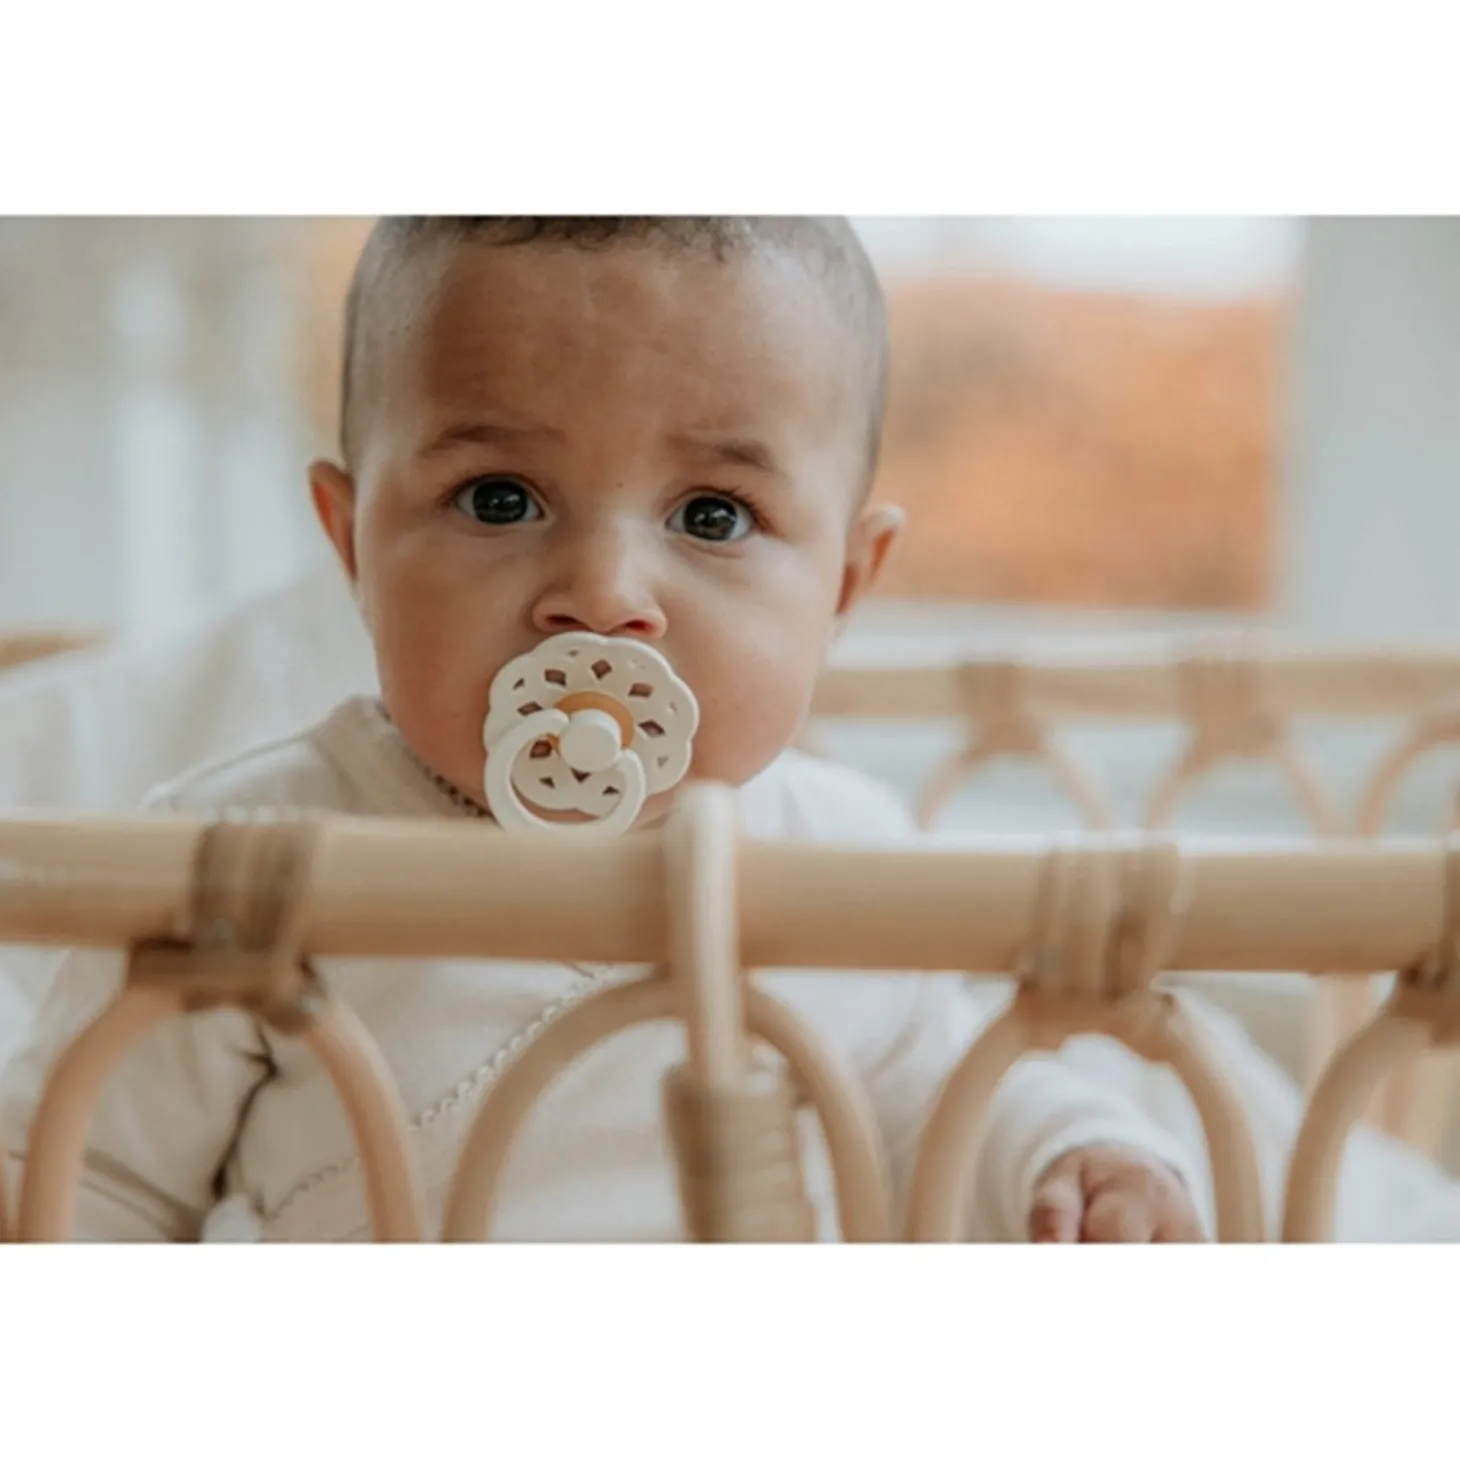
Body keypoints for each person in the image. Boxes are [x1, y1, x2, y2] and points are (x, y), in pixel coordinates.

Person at [0, 217, 1202, 1242]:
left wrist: (1070, 1152)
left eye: (712, 514)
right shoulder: (241, 862)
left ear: (842, 584)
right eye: (499, 498)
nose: (602, 591)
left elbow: (939, 1093)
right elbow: (87, 1177)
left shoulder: (843, 856)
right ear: (351, 541)